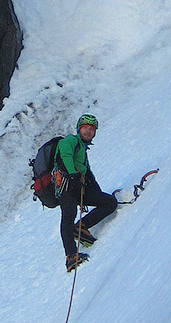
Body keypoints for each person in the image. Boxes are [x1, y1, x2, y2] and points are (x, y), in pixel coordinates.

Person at [54, 114, 117, 272]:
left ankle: (81, 228)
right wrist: (72, 174)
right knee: (68, 216)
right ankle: (71, 256)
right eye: (85, 128)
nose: (88, 131)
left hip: (78, 186)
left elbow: (87, 171)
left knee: (109, 202)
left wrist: (96, 190)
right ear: (78, 129)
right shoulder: (69, 141)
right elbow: (65, 155)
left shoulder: (82, 148)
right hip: (67, 186)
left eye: (91, 129)